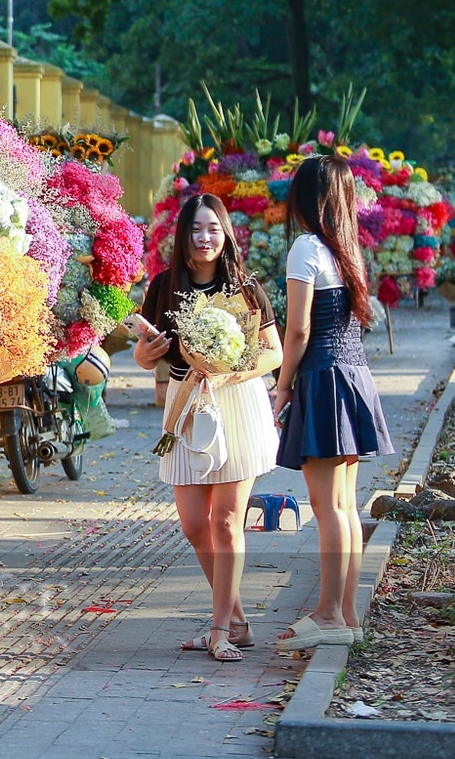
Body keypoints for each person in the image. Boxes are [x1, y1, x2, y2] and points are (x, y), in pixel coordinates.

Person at [124, 192, 284, 662]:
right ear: (183, 236)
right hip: (185, 403)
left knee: (226, 522)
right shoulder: (164, 285)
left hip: (235, 402)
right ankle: (237, 622)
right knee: (196, 525)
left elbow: (273, 352)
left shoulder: (244, 287)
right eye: (196, 229)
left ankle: (218, 630)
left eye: (213, 228)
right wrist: (142, 355)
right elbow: (145, 350)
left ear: (225, 232)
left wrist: (235, 371)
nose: (205, 237)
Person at [272, 154, 393, 653]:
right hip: (353, 375)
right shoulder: (346, 250)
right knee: (343, 506)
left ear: (305, 197)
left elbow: (298, 330)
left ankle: (328, 613)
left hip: (323, 379)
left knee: (327, 509)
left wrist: (281, 387)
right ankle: (344, 614)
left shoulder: (305, 247)